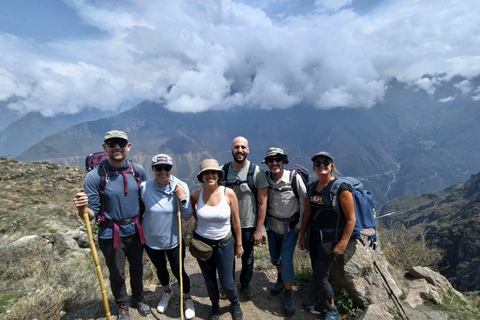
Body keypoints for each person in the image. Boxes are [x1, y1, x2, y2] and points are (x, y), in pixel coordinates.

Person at [73, 130, 150, 320]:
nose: (117, 147)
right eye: (112, 143)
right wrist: (81, 209)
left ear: (128, 147)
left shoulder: (138, 171)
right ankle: (122, 305)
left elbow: (146, 199)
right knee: (117, 272)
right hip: (110, 233)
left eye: (121, 143)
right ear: (104, 147)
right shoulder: (94, 176)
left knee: (137, 267)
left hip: (135, 230)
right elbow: (90, 213)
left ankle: (138, 298)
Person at [298, 152, 356, 320]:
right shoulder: (312, 186)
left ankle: (332, 309)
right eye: (317, 163)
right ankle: (320, 300)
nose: (321, 165)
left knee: (320, 276)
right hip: (314, 236)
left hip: (331, 239)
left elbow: (351, 219)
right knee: (316, 270)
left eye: (326, 162)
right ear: (314, 167)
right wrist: (303, 235)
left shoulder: (341, 189)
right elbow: (307, 213)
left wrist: (343, 242)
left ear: (332, 165)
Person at [139, 154, 195, 319]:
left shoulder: (180, 186)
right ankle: (167, 291)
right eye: (159, 168)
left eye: (167, 168)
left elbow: (187, 216)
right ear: (153, 169)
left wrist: (183, 200)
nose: (163, 171)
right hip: (152, 240)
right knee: (161, 268)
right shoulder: (144, 187)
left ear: (171, 168)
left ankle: (188, 298)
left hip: (174, 240)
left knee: (179, 270)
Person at [190, 159, 244, 320]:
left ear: (218, 175)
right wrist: (198, 221)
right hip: (202, 243)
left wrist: (239, 244)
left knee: (227, 281)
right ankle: (215, 306)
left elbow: (236, 221)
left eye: (213, 172)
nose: (210, 175)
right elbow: (195, 211)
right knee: (209, 278)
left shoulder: (228, 193)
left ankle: (235, 303)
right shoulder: (196, 195)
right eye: (206, 173)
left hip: (224, 242)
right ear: (201, 177)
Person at [221, 136, 268, 299]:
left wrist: (259, 230)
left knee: (247, 258)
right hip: (226, 226)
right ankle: (229, 285)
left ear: (248, 150)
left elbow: (263, 203)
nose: (239, 150)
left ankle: (245, 284)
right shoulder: (223, 171)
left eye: (243, 147)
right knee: (227, 258)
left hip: (248, 225)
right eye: (236, 147)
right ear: (231, 150)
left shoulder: (256, 172)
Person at [263, 147, 306, 317]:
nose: (274, 163)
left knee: (287, 260)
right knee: (275, 257)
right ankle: (281, 279)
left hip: (290, 228)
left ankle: (288, 292)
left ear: (283, 161)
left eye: (278, 159)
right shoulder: (265, 178)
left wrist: (299, 227)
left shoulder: (294, 179)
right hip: (272, 226)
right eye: (271, 160)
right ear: (267, 163)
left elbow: (304, 203)